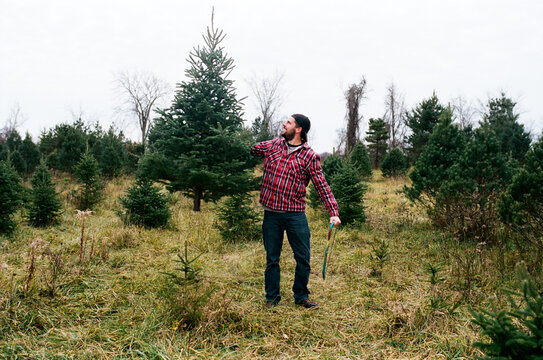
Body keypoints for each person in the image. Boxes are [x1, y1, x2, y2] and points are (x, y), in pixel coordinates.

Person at [251, 114, 341, 309]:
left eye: (289, 122)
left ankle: (301, 295)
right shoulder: (274, 145)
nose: (284, 124)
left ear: (298, 129)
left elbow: (321, 185)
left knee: (303, 258)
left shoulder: (309, 156)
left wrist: (333, 211)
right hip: (272, 213)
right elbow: (251, 148)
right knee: (272, 259)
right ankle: (272, 297)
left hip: (295, 215)